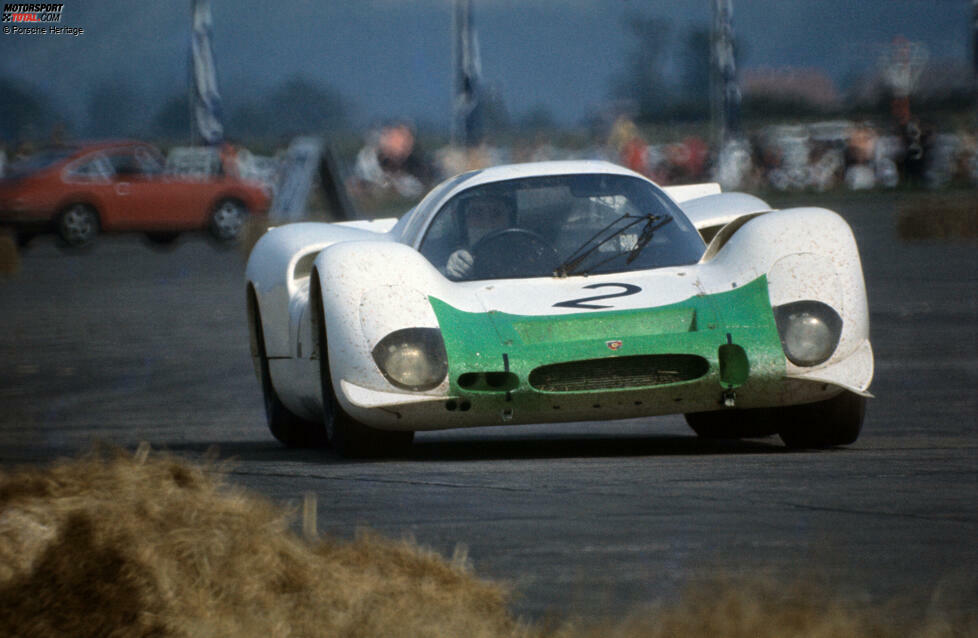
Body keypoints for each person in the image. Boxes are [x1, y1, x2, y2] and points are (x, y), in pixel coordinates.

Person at [445, 194, 514, 280]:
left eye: (496, 213)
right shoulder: (447, 257)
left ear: (509, 220)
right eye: (477, 213)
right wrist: (454, 272)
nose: (487, 223)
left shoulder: (525, 254)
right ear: (464, 222)